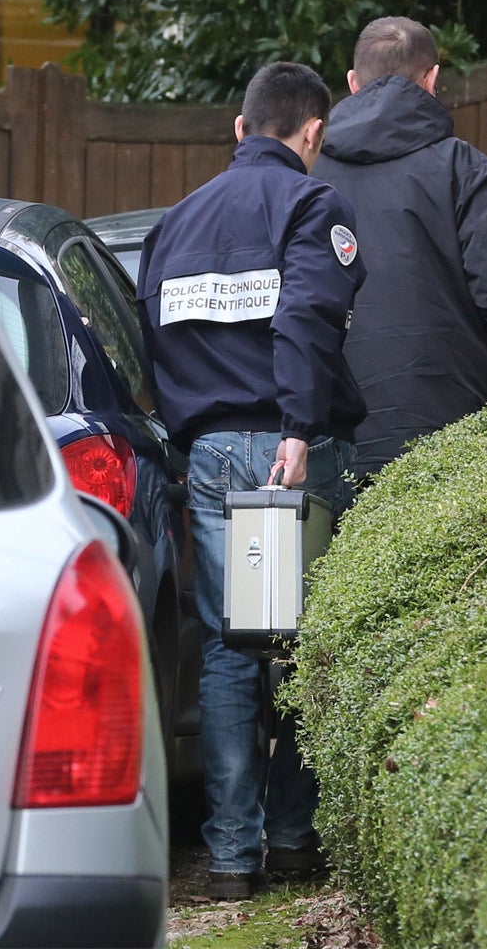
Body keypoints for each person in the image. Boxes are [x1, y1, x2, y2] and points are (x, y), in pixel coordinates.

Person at [137, 61, 364, 900]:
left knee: (233, 649)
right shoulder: (312, 204)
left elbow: (150, 331)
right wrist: (301, 428)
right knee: (301, 648)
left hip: (209, 453)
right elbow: (307, 314)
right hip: (292, 450)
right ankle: (294, 838)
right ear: (312, 134)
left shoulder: (178, 219)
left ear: (240, 129)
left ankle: (231, 859)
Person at [315, 16, 487, 480]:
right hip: (443, 432)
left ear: (353, 83)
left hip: (324, 432)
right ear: (432, 78)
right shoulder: (467, 170)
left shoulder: (306, 180)